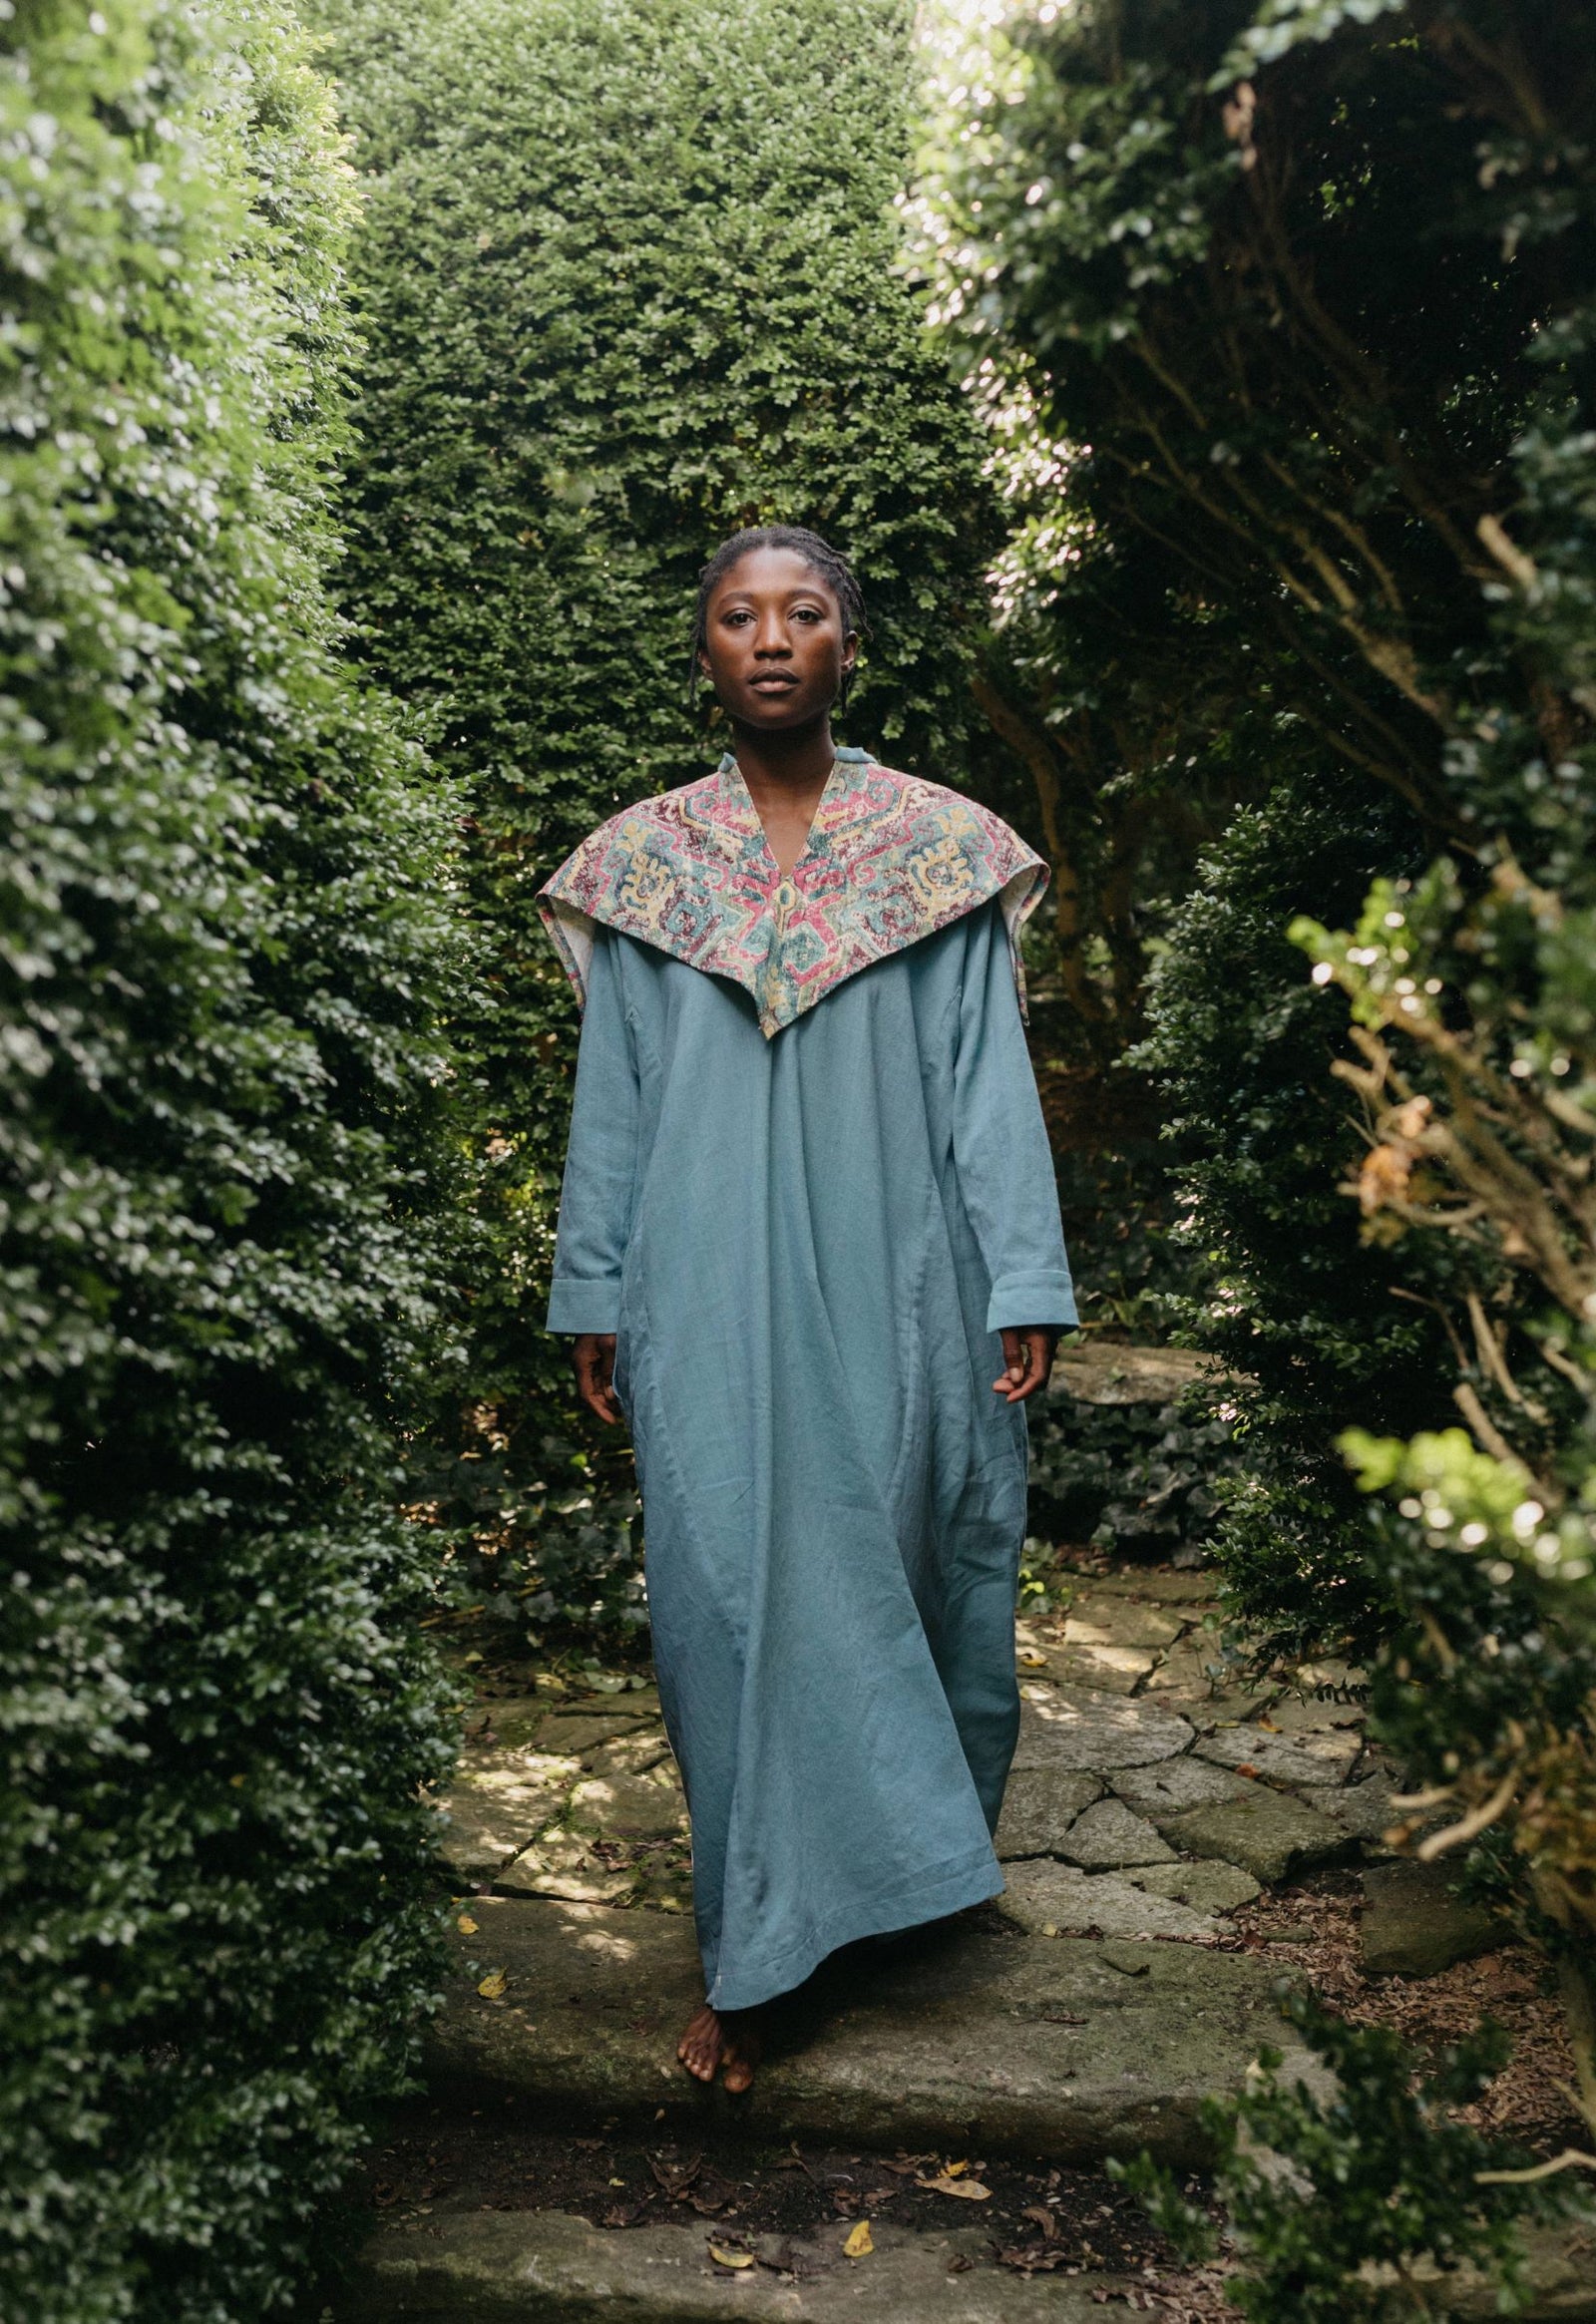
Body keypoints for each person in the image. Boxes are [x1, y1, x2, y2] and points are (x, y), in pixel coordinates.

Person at [538, 526, 1075, 2094]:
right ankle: (758, 1949)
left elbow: (988, 1083)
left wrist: (1023, 1271)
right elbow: (615, 1099)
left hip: (901, 1269)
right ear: (703, 648)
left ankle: (897, 1885)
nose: (771, 637)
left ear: (850, 642)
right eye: (738, 614)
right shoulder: (646, 868)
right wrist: (596, 1282)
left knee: (901, 1558)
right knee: (728, 1592)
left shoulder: (937, 852)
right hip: (700, 1278)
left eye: (805, 612)